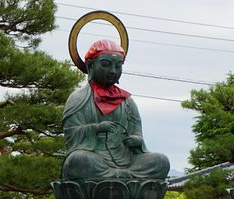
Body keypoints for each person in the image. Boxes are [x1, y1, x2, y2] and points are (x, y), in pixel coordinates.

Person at [61, 39, 169, 181]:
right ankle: (125, 180)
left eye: (118, 66)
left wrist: (137, 140)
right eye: (106, 64)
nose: (113, 71)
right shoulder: (79, 98)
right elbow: (71, 134)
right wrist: (96, 128)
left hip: (126, 161)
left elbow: (137, 132)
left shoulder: (127, 101)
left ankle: (118, 178)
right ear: (90, 65)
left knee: (161, 161)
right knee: (77, 160)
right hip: (94, 159)